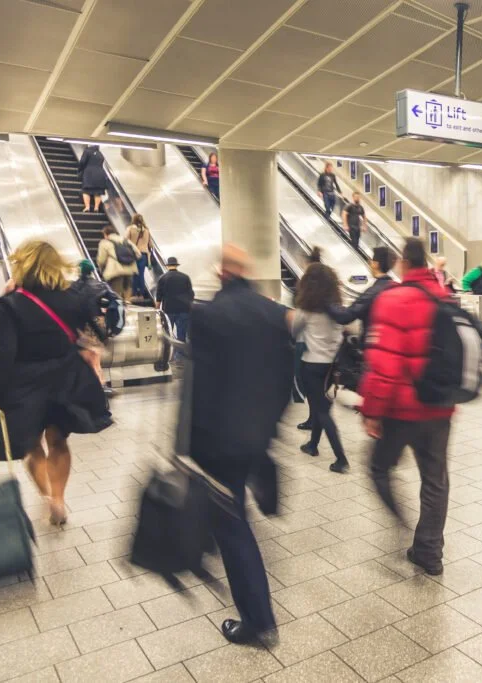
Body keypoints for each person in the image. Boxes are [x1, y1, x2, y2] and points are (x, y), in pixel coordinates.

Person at [0, 240, 111, 526]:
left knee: (31, 445)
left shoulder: (13, 302)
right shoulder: (72, 297)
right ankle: (59, 500)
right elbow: (95, 333)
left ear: (23, 265)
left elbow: (5, 352)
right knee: (59, 440)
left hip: (25, 383)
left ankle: (47, 495)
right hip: (66, 378)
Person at [188, 243, 291, 647]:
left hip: (221, 441)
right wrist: (268, 428)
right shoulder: (273, 312)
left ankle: (258, 622)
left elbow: (200, 389)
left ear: (222, 274)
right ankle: (261, 491)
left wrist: (191, 444)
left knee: (234, 528)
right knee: (235, 510)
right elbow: (287, 381)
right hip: (257, 434)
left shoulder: (208, 316)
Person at [361, 238, 454, 576]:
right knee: (435, 479)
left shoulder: (393, 299)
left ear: (402, 263)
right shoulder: (444, 297)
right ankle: (429, 551)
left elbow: (383, 363)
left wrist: (372, 410)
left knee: (378, 467)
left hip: (400, 409)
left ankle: (399, 522)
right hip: (440, 408)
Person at [293, 263, 349, 473]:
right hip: (333, 367)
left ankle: (341, 459)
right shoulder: (338, 309)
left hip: (312, 364)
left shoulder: (306, 310)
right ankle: (312, 445)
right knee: (321, 406)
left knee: (323, 412)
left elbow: (294, 330)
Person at [327, 245, 396, 339]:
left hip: (373, 343)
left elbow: (345, 316)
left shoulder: (373, 292)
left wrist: (326, 300)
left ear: (376, 264)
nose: (370, 263)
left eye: (371, 261)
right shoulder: (393, 286)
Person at [68, 260, 111, 388]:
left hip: (81, 323)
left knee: (87, 356)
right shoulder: (100, 285)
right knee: (95, 357)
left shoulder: (73, 287)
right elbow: (110, 301)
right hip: (98, 321)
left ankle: (96, 383)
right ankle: (99, 383)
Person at [156, 256, 194, 355]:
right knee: (181, 336)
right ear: (176, 265)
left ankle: (168, 355)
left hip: (168, 310)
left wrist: (156, 310)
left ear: (168, 266)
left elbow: (159, 297)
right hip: (184, 310)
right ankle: (179, 357)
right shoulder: (185, 277)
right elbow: (191, 295)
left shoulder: (162, 278)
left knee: (168, 335)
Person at [97, 224, 140, 303]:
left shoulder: (105, 242)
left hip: (116, 271)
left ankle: (118, 313)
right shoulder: (126, 240)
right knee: (127, 299)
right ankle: (127, 312)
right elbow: (138, 254)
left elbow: (101, 260)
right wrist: (128, 259)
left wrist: (102, 269)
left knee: (116, 297)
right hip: (130, 270)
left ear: (106, 234)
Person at [125, 214, 152, 302]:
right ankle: (141, 294)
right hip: (144, 255)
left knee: (133, 274)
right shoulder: (147, 230)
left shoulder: (130, 229)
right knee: (141, 274)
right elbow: (150, 245)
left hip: (133, 254)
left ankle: (134, 294)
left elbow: (125, 241)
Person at [77, 144, 108, 213]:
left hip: (89, 173)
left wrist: (80, 170)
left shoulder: (87, 151)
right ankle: (96, 207)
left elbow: (82, 162)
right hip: (100, 173)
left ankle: (87, 207)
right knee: (98, 192)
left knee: (86, 190)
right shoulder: (100, 153)